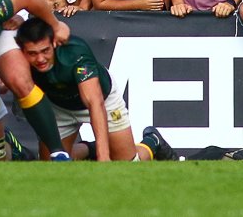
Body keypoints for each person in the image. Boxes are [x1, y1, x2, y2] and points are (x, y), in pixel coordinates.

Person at [15, 18, 176, 161]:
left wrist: (103, 157)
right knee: (51, 166)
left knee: (127, 164)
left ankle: (152, 142)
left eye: (45, 51)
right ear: (22, 51)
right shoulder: (17, 60)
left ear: (54, 43)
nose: (40, 59)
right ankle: (88, 149)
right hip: (58, 106)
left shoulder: (75, 52)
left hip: (101, 100)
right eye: (32, 54)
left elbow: (94, 103)